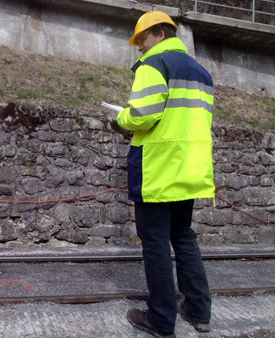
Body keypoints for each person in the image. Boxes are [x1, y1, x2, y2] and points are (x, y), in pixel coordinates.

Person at [117, 11, 214, 337]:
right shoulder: (202, 73)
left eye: (142, 40)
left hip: (158, 169)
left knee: (155, 243)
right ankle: (199, 311)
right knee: (184, 238)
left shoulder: (153, 65)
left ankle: (160, 318)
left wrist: (122, 118)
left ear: (159, 33)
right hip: (190, 169)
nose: (140, 49)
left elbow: (143, 116)